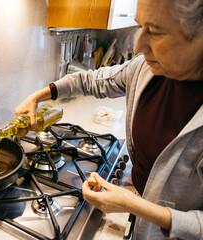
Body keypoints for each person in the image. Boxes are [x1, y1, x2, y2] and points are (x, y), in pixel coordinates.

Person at [14, 0, 203, 239]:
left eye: (154, 31)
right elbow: (94, 81)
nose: (138, 44)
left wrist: (131, 204)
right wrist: (42, 94)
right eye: (140, 26)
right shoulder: (145, 69)